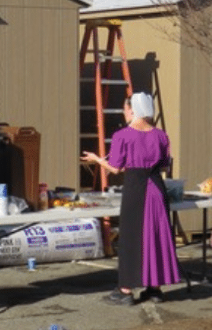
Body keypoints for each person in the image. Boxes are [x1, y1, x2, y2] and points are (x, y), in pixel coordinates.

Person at [80, 93, 180, 305]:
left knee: (131, 238)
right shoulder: (161, 135)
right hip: (157, 189)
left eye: (126, 108)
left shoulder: (122, 136)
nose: (125, 112)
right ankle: (155, 289)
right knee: (156, 237)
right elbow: (163, 165)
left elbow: (115, 168)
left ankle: (125, 290)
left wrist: (97, 159)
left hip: (136, 189)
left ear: (132, 109)